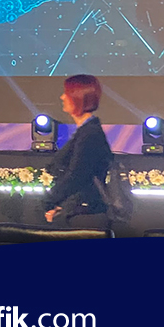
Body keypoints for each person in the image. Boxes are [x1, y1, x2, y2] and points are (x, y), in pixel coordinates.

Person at [43, 75, 113, 229]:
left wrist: (49, 200)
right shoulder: (86, 132)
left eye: (67, 94)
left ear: (79, 98)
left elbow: (77, 174)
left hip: (86, 215)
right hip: (79, 210)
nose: (62, 97)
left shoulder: (90, 134)